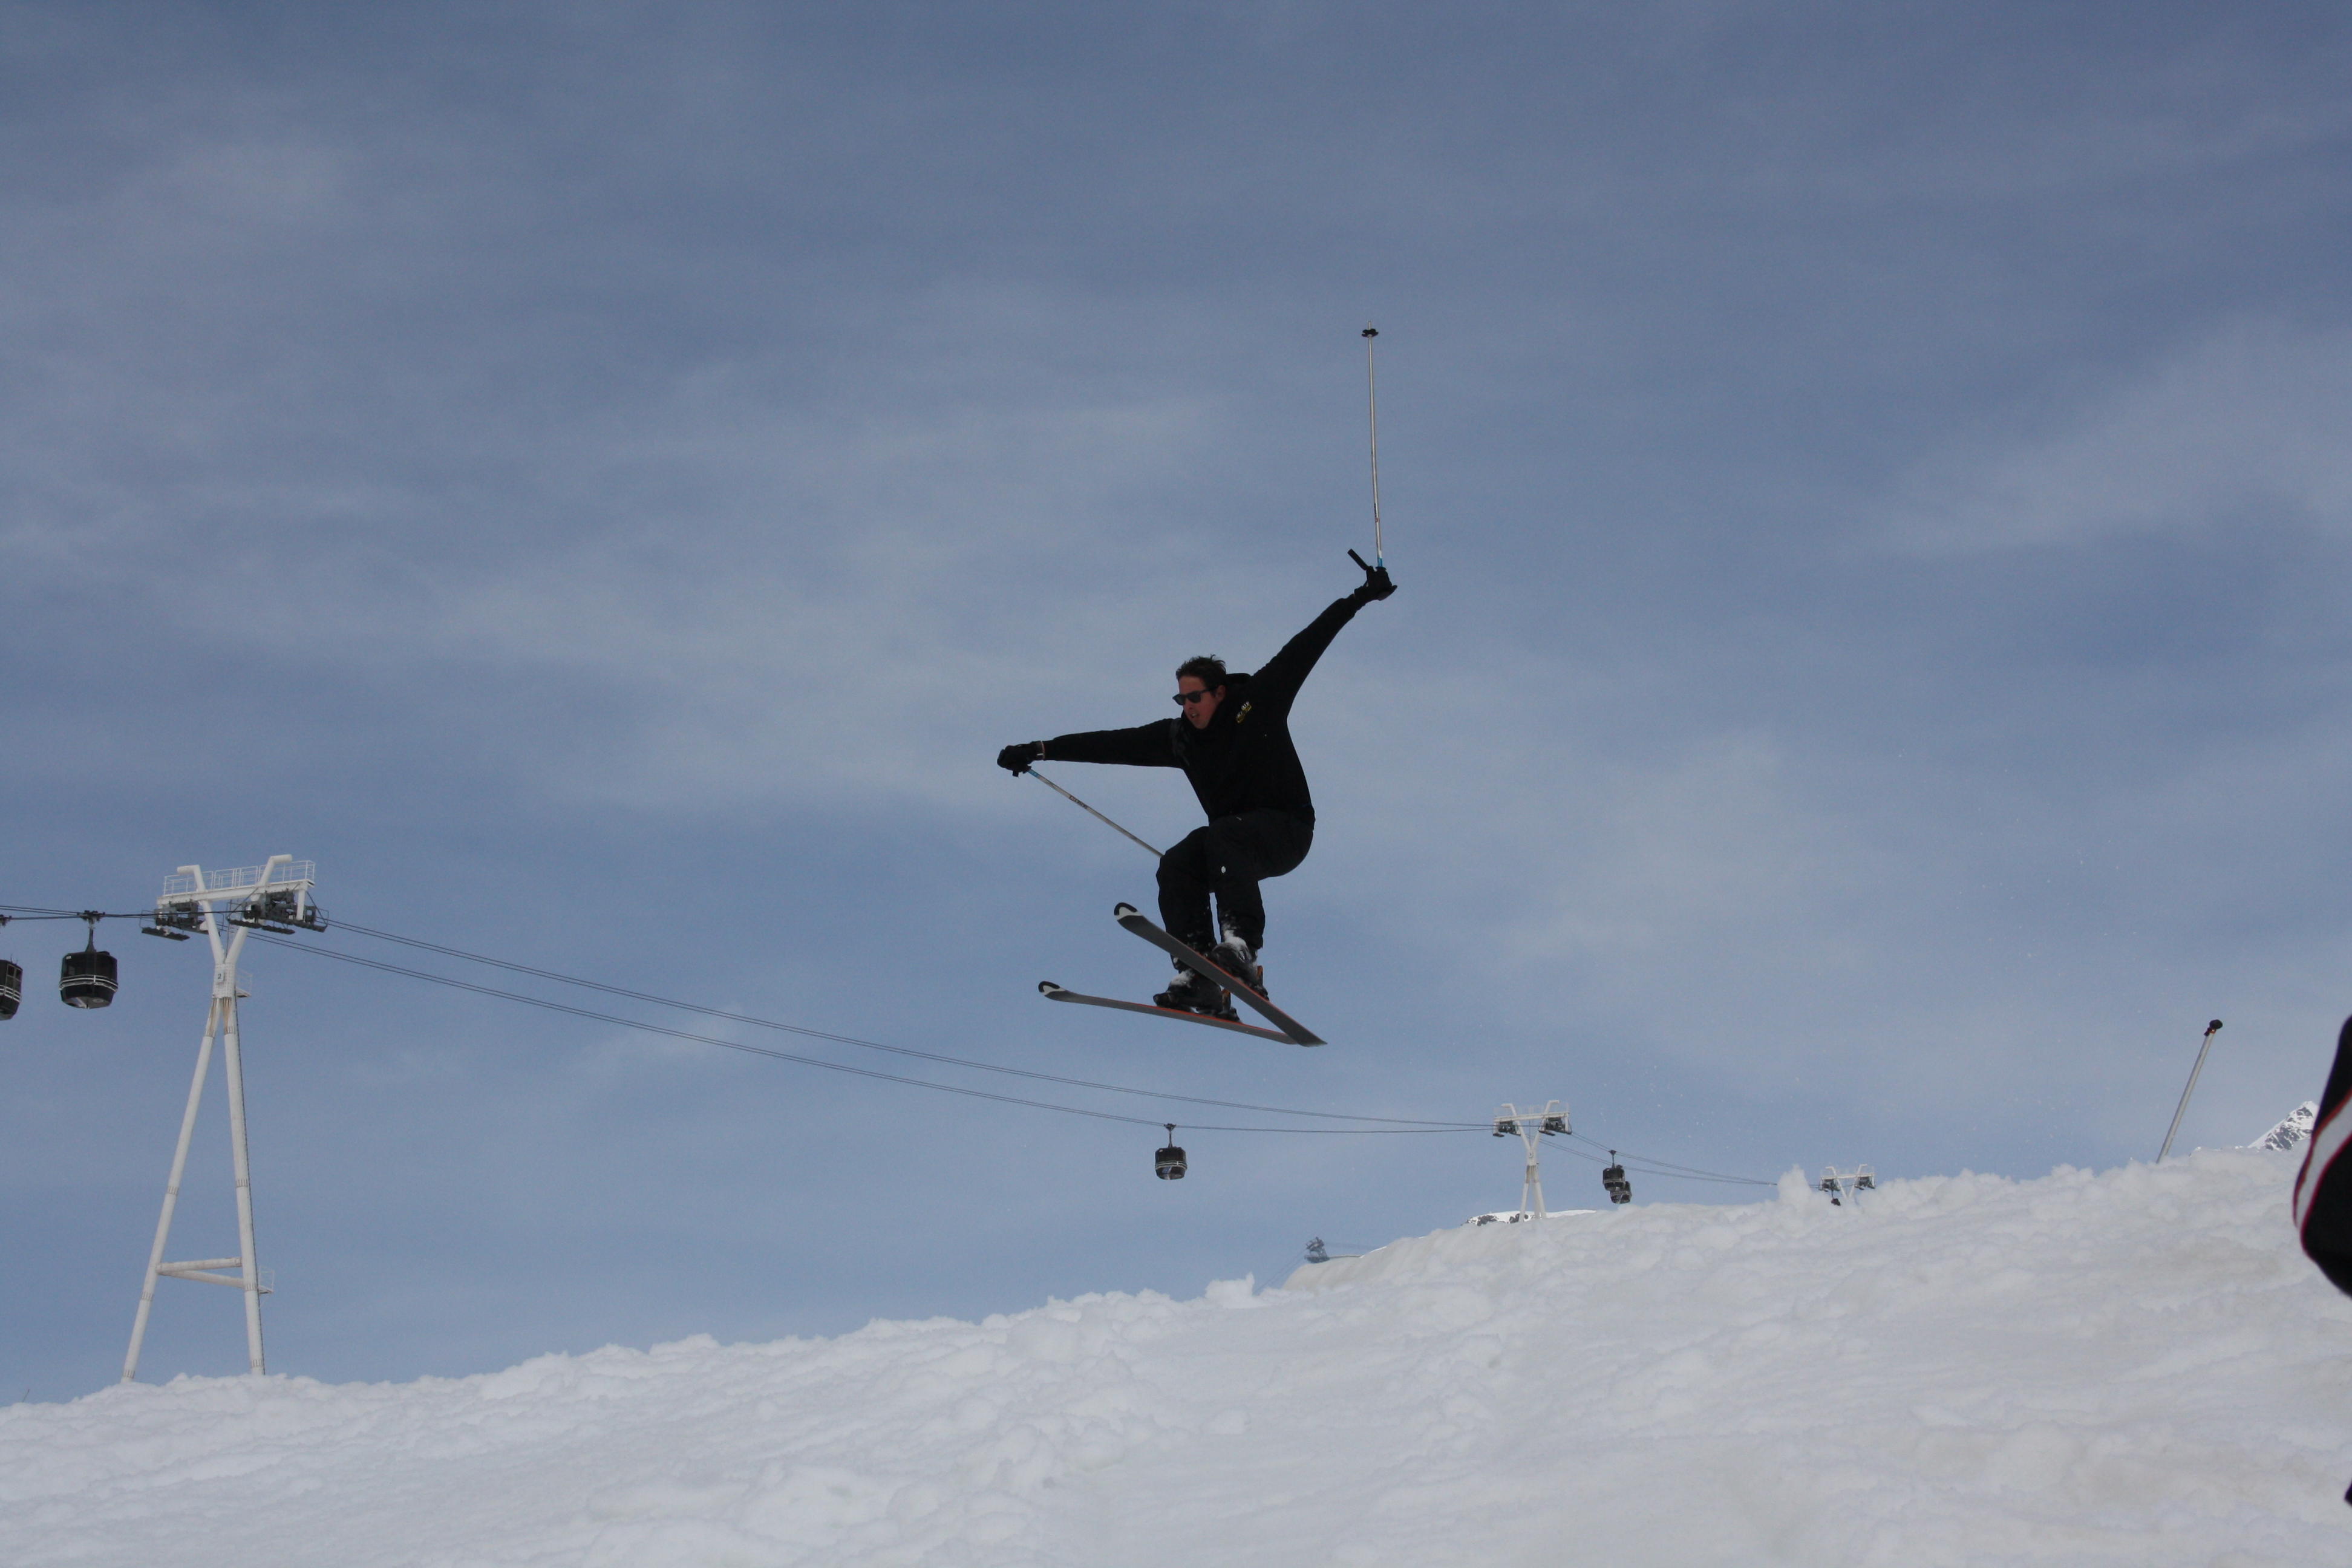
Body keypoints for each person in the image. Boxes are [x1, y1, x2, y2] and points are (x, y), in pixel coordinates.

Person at [998, 560, 1396, 1017]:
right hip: (1234, 846)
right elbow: (1112, 743)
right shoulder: (1180, 738)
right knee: (1178, 863)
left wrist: (1361, 597)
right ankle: (1200, 972)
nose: (1188, 707)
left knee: (1223, 833)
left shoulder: (1257, 703)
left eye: (1195, 697)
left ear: (1219, 693)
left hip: (1287, 832)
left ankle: (1241, 947)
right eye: (1181, 699)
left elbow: (1308, 643)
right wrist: (1040, 749)